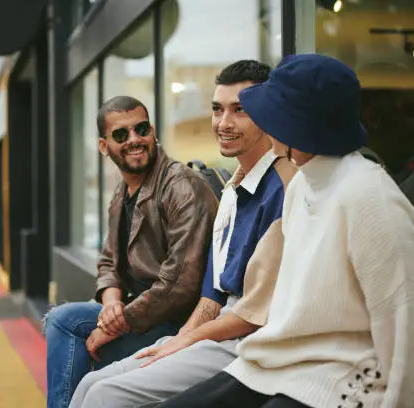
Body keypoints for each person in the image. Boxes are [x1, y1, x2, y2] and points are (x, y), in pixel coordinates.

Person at [158, 54, 414, 408]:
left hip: (345, 379)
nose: (266, 125)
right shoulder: (303, 184)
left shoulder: (369, 197)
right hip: (279, 364)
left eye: (273, 116)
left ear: (300, 126)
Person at [69, 60, 296, 408]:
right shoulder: (233, 190)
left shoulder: (282, 188)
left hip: (249, 344)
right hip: (211, 333)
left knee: (104, 394)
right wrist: (181, 339)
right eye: (217, 110)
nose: (224, 123)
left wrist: (181, 341)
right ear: (104, 146)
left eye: (240, 110)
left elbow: (252, 314)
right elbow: (213, 295)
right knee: (90, 384)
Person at [43, 96, 219, 408]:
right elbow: (109, 261)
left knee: (70, 334)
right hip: (135, 313)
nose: (134, 140)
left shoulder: (181, 186)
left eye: (141, 129)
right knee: (60, 321)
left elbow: (179, 286)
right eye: (121, 135)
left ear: (152, 131)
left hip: (176, 323)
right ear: (103, 146)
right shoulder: (122, 190)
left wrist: (117, 324)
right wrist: (110, 307)